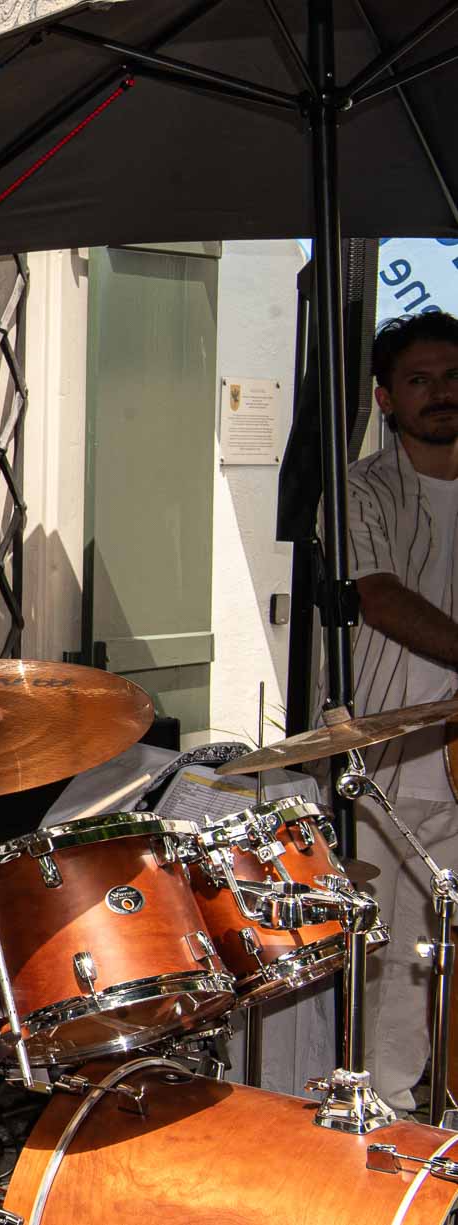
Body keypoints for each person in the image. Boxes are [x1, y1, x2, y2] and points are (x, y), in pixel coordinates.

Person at [347, 308, 458, 1115]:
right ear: (386, 397)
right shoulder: (359, 489)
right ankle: (390, 1130)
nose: (441, 394)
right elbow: (379, 597)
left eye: (453, 378)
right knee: (396, 952)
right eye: (420, 380)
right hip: (399, 759)